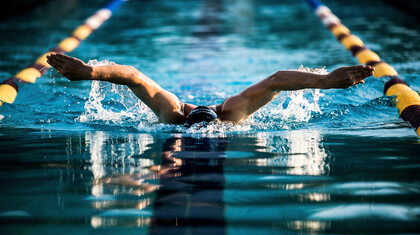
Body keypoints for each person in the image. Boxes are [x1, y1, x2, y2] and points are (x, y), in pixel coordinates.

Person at [46, 53, 374, 126]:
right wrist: (92, 72)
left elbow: (135, 77)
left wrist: (325, 81)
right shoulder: (230, 113)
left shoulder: (174, 114)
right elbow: (276, 81)